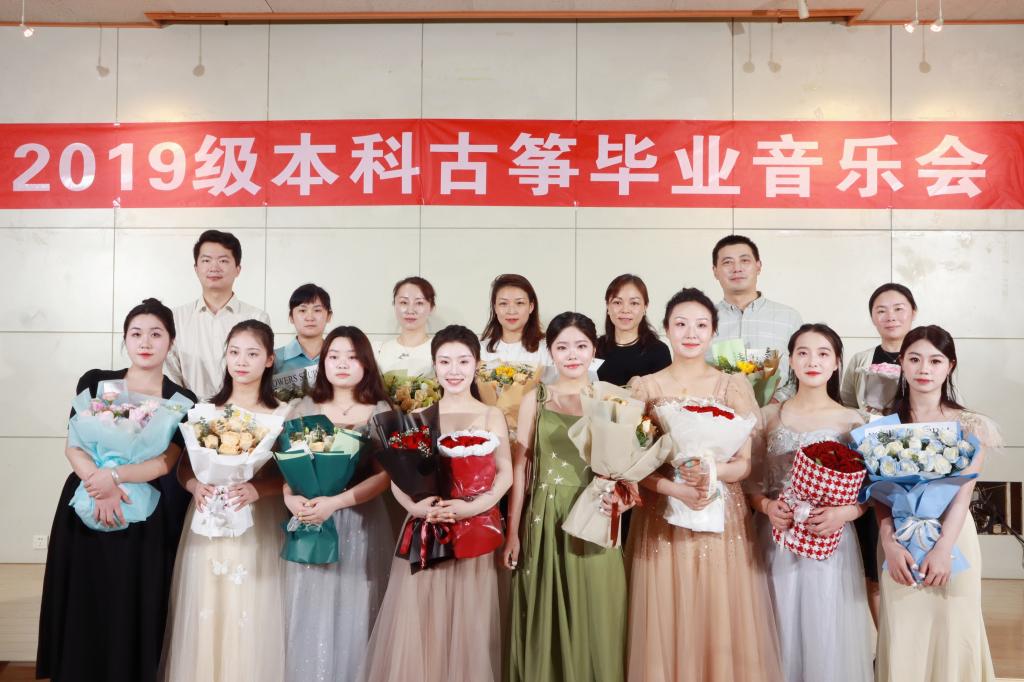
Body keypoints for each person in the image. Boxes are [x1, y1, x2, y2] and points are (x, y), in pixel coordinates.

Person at [627, 287, 783, 682]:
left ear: (714, 331)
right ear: (666, 329)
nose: (691, 333)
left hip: (722, 515)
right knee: (665, 609)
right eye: (681, 324)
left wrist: (710, 472)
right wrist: (674, 488)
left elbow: (745, 463)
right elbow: (634, 462)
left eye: (700, 325)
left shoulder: (732, 386)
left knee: (719, 608)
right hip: (662, 516)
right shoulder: (645, 388)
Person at [36, 299, 197, 682]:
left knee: (129, 599)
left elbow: (167, 462)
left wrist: (115, 478)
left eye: (156, 334)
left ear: (171, 341)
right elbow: (73, 444)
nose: (146, 342)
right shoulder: (97, 382)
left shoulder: (181, 400)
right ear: (125, 339)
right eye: (136, 333)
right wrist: (99, 483)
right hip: (86, 501)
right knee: (84, 596)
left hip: (141, 509)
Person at [357, 325, 511, 682]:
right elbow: (398, 476)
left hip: (473, 532)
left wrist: (473, 507)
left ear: (476, 364)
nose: (454, 370)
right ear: (434, 365)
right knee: (424, 623)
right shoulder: (419, 416)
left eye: (463, 361)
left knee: (467, 625)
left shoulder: (492, 416)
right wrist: (417, 509)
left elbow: (505, 473)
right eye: (445, 361)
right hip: (426, 532)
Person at [505, 312, 631, 682]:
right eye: (562, 347)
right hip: (544, 517)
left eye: (580, 346)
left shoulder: (612, 398)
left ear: (594, 349)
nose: (572, 354)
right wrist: (512, 532)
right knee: (543, 613)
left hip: (596, 513)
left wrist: (623, 499)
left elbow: (629, 466)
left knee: (598, 609)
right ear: (550, 352)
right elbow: (521, 469)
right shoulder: (536, 399)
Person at [161, 320, 289, 682]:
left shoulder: (281, 414)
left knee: (249, 604)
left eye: (252, 353)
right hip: (206, 521)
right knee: (206, 604)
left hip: (256, 523)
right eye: (234, 352)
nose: (241, 361)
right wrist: (193, 487)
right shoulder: (204, 410)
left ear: (269, 360)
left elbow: (292, 475)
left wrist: (258, 490)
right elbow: (184, 468)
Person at [749, 324, 873, 682]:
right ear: (790, 360)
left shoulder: (855, 420)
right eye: (802, 353)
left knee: (824, 627)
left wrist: (844, 513)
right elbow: (750, 481)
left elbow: (870, 490)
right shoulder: (767, 416)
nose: (812, 361)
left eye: (823, 353)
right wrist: (766, 507)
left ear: (836, 362)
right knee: (775, 622)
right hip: (775, 536)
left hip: (829, 539)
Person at [875, 325, 998, 682]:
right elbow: (879, 495)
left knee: (955, 628)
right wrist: (889, 544)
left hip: (954, 541)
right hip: (899, 544)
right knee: (905, 632)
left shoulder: (971, 425)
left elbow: (963, 493)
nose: (924, 369)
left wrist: (943, 549)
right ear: (901, 362)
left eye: (935, 360)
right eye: (914, 359)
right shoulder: (883, 426)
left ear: (950, 366)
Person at [282, 326, 393, 682]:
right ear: (323, 362)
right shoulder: (302, 407)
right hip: (312, 519)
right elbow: (288, 467)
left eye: (352, 357)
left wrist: (337, 502)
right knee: (309, 605)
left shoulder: (381, 411)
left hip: (360, 520)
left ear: (366, 363)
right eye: (334, 356)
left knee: (357, 604)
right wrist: (290, 498)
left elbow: (386, 476)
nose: (342, 364)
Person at [840, 282, 918, 624]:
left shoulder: (923, 354)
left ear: (913, 312)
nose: (890, 316)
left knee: (913, 551)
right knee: (873, 564)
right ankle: (885, 641)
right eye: (881, 310)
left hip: (915, 470)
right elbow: (845, 406)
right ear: (872, 317)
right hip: (872, 468)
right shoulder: (861, 360)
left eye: (899, 309)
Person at [165, 229, 271, 401]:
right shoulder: (175, 318)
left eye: (223, 260)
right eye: (206, 260)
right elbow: (171, 373)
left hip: (242, 411)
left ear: (238, 269)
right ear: (196, 268)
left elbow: (261, 374)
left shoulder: (257, 318)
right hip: (189, 410)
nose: (214, 267)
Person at [710, 235, 802, 403]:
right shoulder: (703, 320)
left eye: (744, 260)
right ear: (715, 271)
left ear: (758, 266)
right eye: (727, 262)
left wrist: (774, 403)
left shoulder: (789, 317)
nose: (737, 268)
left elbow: (799, 376)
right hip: (715, 414)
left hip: (776, 414)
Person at [596, 274, 672, 387]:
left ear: (645, 307)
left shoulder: (659, 351)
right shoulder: (594, 348)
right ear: (607, 306)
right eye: (617, 302)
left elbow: (665, 396)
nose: (625, 310)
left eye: (634, 303)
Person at [272, 283, 333, 401]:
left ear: (329, 316)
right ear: (291, 317)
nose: (309, 317)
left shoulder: (340, 359)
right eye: (302, 310)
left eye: (317, 310)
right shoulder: (273, 359)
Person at [377, 276, 436, 376]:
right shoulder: (380, 351)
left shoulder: (440, 350)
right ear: (394, 305)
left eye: (419, 303)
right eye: (404, 302)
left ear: (431, 308)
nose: (410, 310)